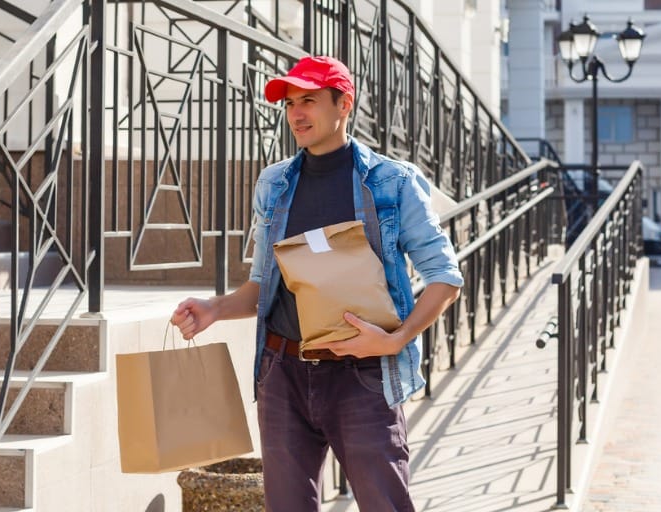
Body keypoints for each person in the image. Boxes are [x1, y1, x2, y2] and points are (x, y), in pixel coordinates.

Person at [171, 55, 463, 511]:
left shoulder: (392, 182)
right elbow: (263, 285)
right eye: (289, 104)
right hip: (282, 372)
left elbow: (444, 276)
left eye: (308, 100)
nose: (296, 114)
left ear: (343, 104)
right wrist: (215, 308)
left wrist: (396, 340)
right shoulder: (275, 184)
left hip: (361, 376)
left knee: (384, 504)